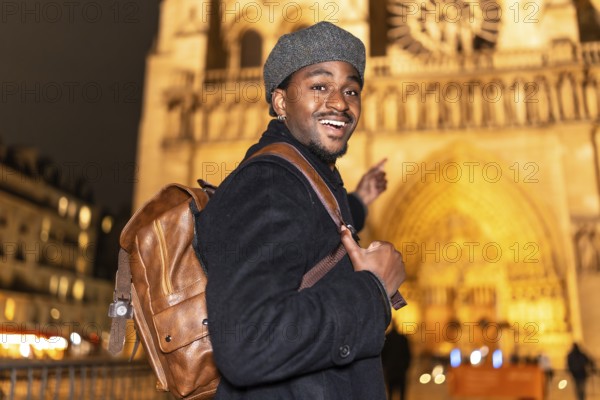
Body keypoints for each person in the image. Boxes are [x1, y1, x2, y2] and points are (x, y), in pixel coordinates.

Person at [196, 21, 407, 399]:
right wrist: (372, 291)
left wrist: (357, 203)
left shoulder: (305, 178)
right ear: (280, 102)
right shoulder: (269, 183)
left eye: (351, 90)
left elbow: (306, 238)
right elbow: (247, 342)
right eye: (319, 86)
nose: (340, 102)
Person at [381, 321, 412, 400]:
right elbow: (408, 355)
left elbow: (383, 355)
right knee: (402, 394)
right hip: (401, 370)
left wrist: (385, 367)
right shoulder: (403, 339)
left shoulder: (387, 339)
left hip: (390, 370)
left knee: (390, 393)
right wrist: (406, 366)